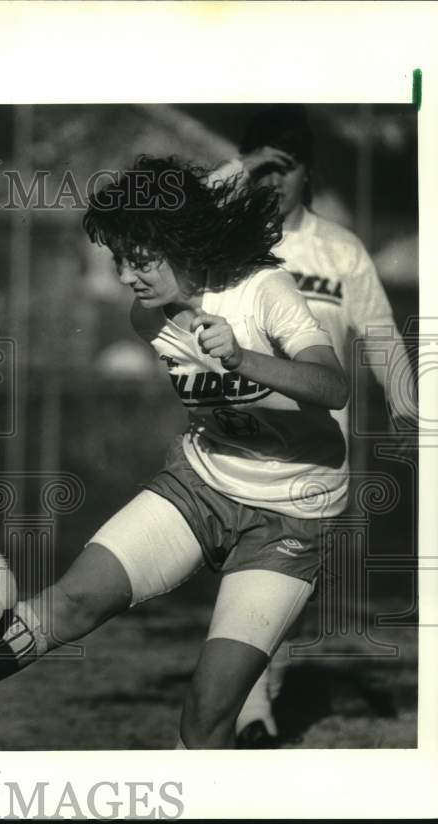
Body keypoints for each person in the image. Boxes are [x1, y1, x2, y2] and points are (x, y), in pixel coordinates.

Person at [0, 155, 350, 749]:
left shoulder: (262, 290)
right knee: (70, 603)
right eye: (117, 259)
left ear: (179, 241)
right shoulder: (148, 317)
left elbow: (333, 387)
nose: (125, 275)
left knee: (205, 717)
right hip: (202, 484)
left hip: (294, 514)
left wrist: (244, 359)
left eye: (138, 258)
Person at [213, 105, 418, 746]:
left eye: (285, 167)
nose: (272, 182)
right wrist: (237, 170)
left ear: (308, 172)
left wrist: (415, 413)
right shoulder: (226, 242)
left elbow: (382, 340)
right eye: (260, 168)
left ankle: (254, 705)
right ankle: (252, 714)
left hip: (316, 453)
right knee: (249, 578)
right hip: (236, 440)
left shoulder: (339, 250)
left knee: (285, 586)